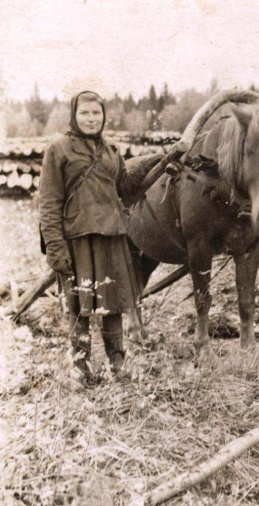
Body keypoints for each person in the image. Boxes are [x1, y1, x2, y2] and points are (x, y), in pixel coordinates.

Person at [39, 90, 152, 386]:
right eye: (85, 113)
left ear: (104, 116)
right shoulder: (59, 150)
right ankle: (82, 367)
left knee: (112, 301)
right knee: (79, 304)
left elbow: (125, 189)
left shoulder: (112, 151)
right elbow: (49, 202)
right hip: (77, 239)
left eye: (96, 113)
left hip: (112, 237)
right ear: (74, 116)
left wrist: (162, 163)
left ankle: (118, 364)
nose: (91, 119)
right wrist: (54, 246)